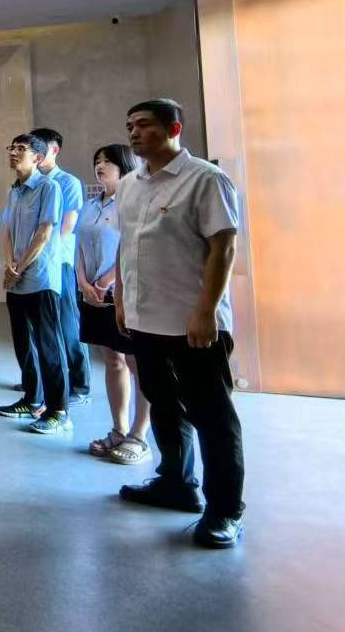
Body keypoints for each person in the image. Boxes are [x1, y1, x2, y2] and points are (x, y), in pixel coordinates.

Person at [114, 99, 244, 549]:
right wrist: (121, 298)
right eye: (130, 126)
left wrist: (207, 310)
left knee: (213, 416)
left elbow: (224, 248)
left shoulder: (205, 179)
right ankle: (176, 483)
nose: (134, 133)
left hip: (193, 323)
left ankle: (225, 509)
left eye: (144, 125)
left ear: (173, 128)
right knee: (164, 406)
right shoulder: (129, 184)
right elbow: (127, 243)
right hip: (145, 319)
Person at [78, 144, 150, 464]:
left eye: (107, 161)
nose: (100, 165)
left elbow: (132, 247)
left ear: (125, 165)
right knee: (112, 360)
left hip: (123, 292)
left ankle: (139, 435)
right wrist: (83, 282)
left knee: (138, 364)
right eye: (97, 160)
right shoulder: (91, 204)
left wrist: (106, 282)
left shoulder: (132, 202)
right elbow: (79, 247)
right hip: (93, 294)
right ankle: (118, 430)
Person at [0, 135, 70, 434]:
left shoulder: (49, 188)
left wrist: (20, 267)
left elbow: (44, 234)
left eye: (21, 149)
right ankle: (31, 398)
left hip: (40, 278)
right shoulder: (13, 191)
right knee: (24, 344)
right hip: (17, 276)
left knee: (48, 346)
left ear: (38, 158)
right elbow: (8, 231)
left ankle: (58, 410)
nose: (13, 153)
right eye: (11, 148)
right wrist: (10, 265)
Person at [31, 127, 90, 405]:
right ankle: (45, 380)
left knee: (68, 323)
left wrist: (40, 250)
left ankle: (80, 384)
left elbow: (67, 225)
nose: (34, 153)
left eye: (38, 148)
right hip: (34, 262)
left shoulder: (68, 182)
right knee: (40, 326)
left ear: (54, 150)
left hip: (59, 262)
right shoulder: (30, 184)